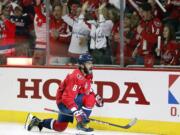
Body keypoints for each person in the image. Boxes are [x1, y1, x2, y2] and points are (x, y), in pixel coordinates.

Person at [25, 53, 104, 133]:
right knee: (90, 98)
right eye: (88, 63)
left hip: (71, 102)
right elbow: (67, 98)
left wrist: (96, 96)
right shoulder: (75, 77)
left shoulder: (88, 74)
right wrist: (76, 112)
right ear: (82, 65)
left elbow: (86, 88)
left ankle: (37, 122)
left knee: (60, 127)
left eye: (91, 63)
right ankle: (82, 125)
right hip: (64, 104)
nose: (91, 65)